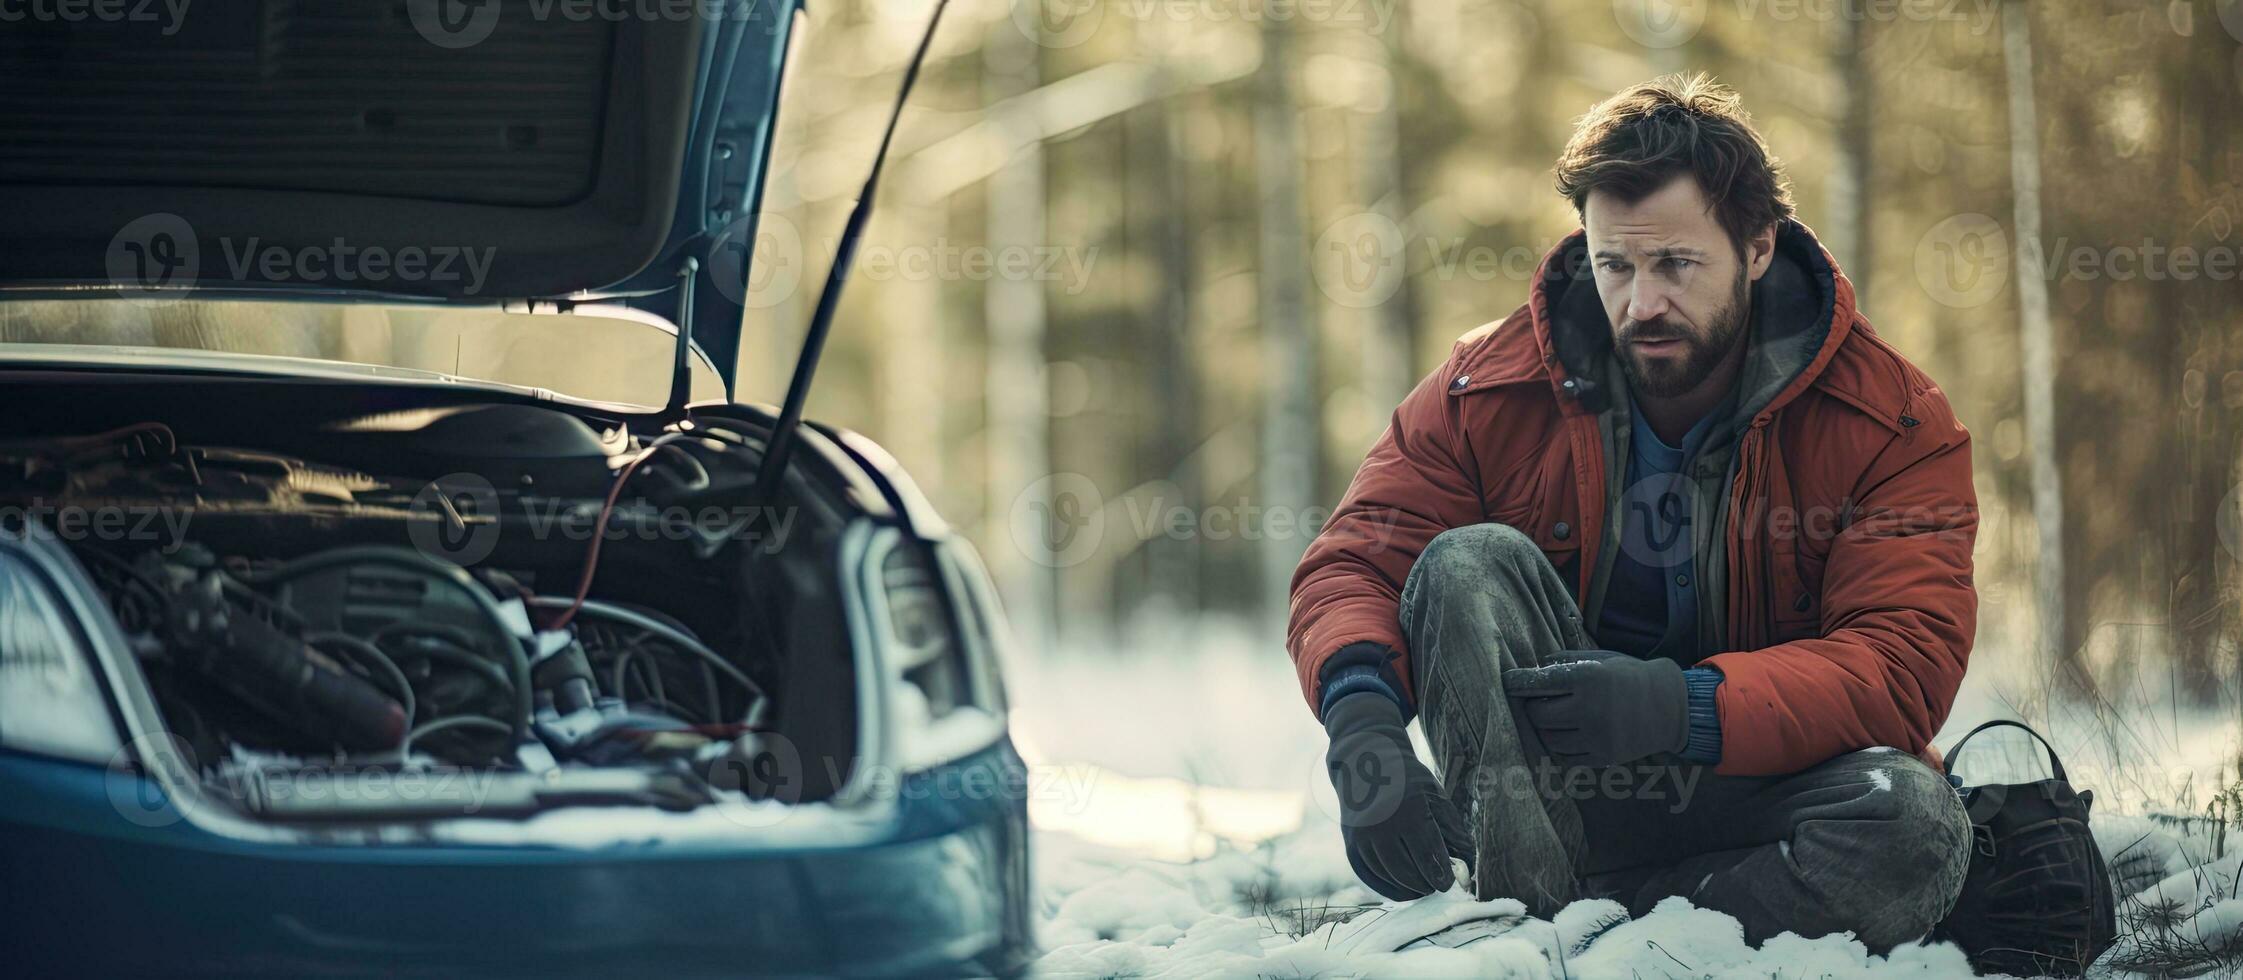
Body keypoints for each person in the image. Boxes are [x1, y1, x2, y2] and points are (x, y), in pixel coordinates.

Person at [1289, 73, 1976, 950]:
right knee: (1464, 563)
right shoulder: (1485, 387)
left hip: (1770, 791)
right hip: (1553, 801)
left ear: (1757, 246)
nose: (1640, 302)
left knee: (1911, 828)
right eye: (1613, 265)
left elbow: (1901, 661)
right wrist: (1361, 722)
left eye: (1676, 266)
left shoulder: (1892, 420)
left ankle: (1593, 936)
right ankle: (1535, 919)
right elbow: (1353, 561)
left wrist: (1681, 707)